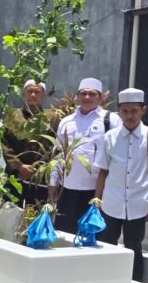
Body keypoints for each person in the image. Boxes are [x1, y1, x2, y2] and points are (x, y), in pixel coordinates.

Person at [94, 88, 148, 281]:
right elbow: (103, 170)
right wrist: (97, 200)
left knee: (134, 247)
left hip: (138, 203)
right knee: (106, 244)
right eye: (125, 111)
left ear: (143, 110)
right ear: (119, 112)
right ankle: (106, 282)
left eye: (134, 111)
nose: (129, 116)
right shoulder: (110, 137)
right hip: (111, 202)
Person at [49, 78, 122, 232]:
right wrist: (53, 183)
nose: (87, 97)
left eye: (92, 94)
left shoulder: (111, 120)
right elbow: (58, 154)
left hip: (96, 191)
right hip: (67, 189)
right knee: (63, 234)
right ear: (77, 96)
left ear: (100, 97)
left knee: (91, 236)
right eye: (83, 94)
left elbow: (118, 156)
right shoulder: (66, 121)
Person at [1, 79, 52, 205]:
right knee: (10, 212)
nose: (33, 95)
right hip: (14, 174)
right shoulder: (13, 115)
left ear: (43, 95)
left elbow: (54, 146)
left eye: (37, 92)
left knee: (36, 212)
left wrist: (37, 168)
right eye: (30, 91)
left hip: (39, 176)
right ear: (24, 94)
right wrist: (19, 166)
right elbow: (5, 143)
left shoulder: (52, 117)